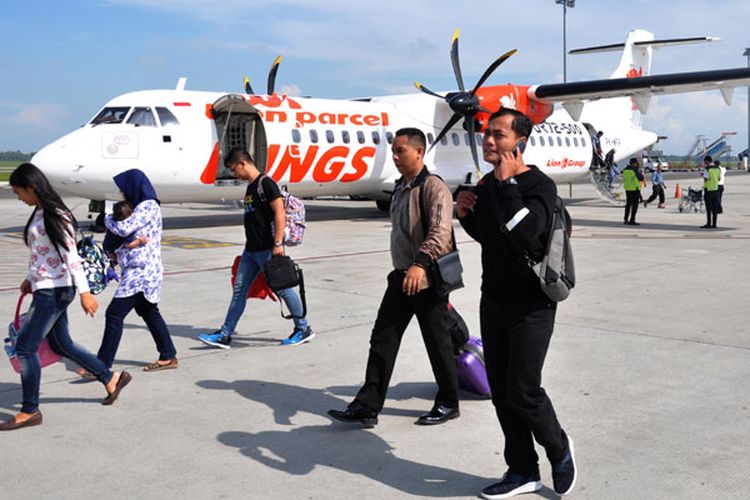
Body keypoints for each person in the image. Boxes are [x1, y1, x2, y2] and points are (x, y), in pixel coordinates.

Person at [456, 109, 576, 499]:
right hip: (494, 300)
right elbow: (495, 238)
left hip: (532, 305)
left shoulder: (539, 186)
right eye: (487, 134)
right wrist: (468, 214)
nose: (488, 140)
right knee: (502, 392)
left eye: (498, 135)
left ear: (519, 142)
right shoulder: (491, 184)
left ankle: (558, 448)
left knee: (524, 389)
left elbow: (527, 234)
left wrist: (506, 187)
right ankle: (522, 470)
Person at [328, 128, 460, 428]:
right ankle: (367, 406)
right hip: (400, 278)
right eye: (394, 151)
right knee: (382, 340)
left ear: (419, 152)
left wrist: (421, 264)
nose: (395, 156)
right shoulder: (401, 187)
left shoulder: (434, 186)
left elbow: (440, 233)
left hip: (427, 280)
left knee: (437, 343)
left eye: (401, 150)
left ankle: (449, 401)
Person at [1, 163, 131, 430]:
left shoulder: (55, 214)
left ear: (32, 187)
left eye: (19, 192)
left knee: (26, 348)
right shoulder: (39, 211)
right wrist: (31, 278)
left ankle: (30, 410)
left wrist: (85, 293)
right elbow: (41, 253)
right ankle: (111, 378)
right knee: (62, 345)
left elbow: (71, 257)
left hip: (55, 291)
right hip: (46, 286)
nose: (19, 198)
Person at [198, 148, 313, 348]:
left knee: (284, 290)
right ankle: (225, 334)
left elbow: (279, 213)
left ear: (242, 163)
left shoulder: (266, 184)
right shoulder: (251, 187)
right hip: (251, 250)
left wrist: (278, 243)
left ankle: (303, 328)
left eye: (234, 169)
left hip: (267, 248)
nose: (235, 174)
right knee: (239, 290)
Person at [95, 169, 179, 372]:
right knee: (148, 311)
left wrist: (105, 219)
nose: (122, 194)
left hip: (141, 272)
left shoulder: (148, 205)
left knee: (114, 314)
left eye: (124, 189)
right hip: (139, 270)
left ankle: (101, 365)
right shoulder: (139, 206)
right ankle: (168, 355)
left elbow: (124, 228)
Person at [622, 157, 644, 225]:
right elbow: (641, 178)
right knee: (634, 206)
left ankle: (625, 219)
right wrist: (640, 172)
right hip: (635, 189)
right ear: (634, 163)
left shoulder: (625, 170)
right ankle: (632, 220)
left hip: (628, 189)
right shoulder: (634, 170)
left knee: (628, 205)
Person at [701, 156, 720, 228]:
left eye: (705, 161)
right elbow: (719, 178)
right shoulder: (717, 168)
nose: (704, 163)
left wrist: (703, 176)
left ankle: (709, 223)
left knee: (708, 208)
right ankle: (714, 224)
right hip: (715, 189)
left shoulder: (707, 169)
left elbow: (706, 179)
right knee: (714, 208)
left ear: (708, 161)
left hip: (708, 190)